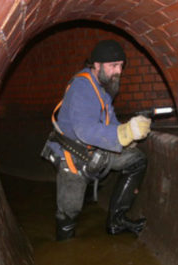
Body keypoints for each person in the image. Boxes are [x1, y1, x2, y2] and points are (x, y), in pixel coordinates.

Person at [41, 39, 151, 241]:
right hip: (72, 155)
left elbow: (109, 120)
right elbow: (85, 130)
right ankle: (65, 248)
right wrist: (123, 134)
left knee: (136, 160)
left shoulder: (103, 86)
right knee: (69, 213)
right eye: (113, 66)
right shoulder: (82, 87)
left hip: (95, 151)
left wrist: (128, 135)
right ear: (96, 65)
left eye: (120, 66)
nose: (118, 71)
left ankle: (116, 222)